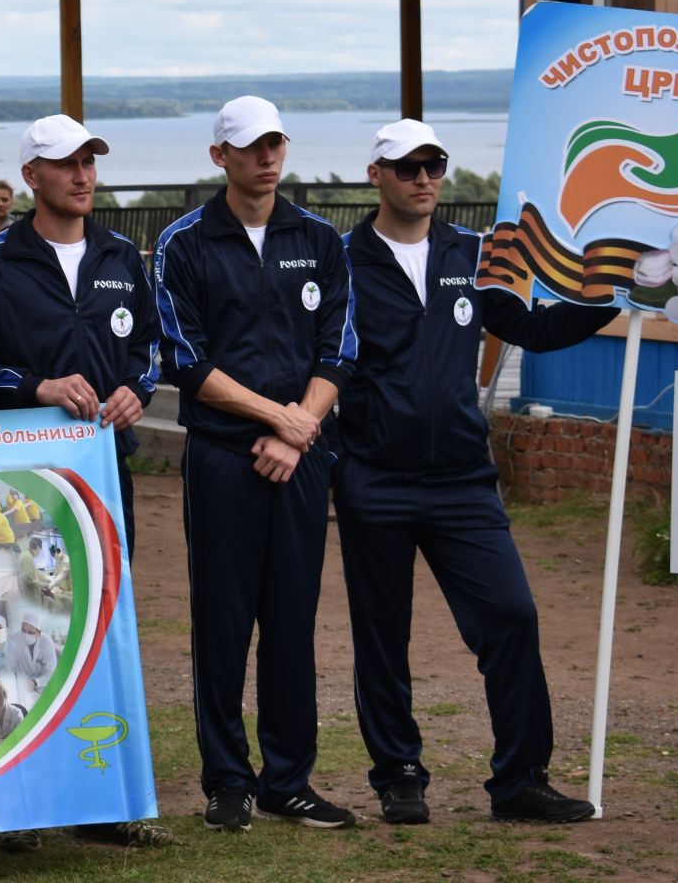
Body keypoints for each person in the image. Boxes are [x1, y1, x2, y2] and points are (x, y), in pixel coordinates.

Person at [336, 120, 614, 826]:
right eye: (407, 168)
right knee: (382, 633)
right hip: (375, 476)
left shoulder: (473, 253)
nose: (423, 178)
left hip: (462, 479)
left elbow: (535, 329)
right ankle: (399, 773)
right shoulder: (343, 262)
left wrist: (618, 297)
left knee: (512, 617)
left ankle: (520, 780)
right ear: (376, 175)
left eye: (434, 165)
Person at [151, 97, 358, 833]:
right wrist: (278, 419)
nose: (267, 157)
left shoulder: (320, 240)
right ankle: (227, 780)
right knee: (223, 620)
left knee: (292, 620)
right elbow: (186, 360)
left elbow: (341, 348)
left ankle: (289, 779)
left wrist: (298, 432)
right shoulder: (184, 244)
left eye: (275, 144)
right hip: (222, 458)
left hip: (300, 458)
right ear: (220, 157)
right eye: (250, 146)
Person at [0, 120, 162, 565]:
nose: (82, 175)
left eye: (87, 162)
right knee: (33, 601)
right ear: (31, 176)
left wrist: (136, 389)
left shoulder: (121, 254)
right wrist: (37, 387)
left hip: (104, 460)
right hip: (20, 469)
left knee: (109, 597)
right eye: (66, 164)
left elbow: (146, 342)